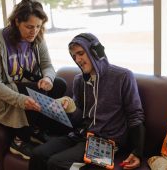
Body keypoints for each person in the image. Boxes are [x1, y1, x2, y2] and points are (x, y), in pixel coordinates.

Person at [29, 33, 145, 170]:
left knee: (56, 163)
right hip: (81, 135)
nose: (77, 59)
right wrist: (70, 110)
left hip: (107, 143)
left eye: (80, 53)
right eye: (74, 56)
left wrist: (137, 152)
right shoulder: (79, 81)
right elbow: (79, 119)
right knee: (37, 154)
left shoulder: (123, 77)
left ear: (96, 52)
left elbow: (135, 115)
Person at [0, 0, 67, 160]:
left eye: (38, 26)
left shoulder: (37, 38)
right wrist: (20, 100)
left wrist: (47, 78)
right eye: (29, 26)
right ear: (17, 21)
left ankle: (35, 130)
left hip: (19, 83)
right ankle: (19, 141)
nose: (34, 31)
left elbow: (48, 65)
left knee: (59, 84)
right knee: (24, 93)